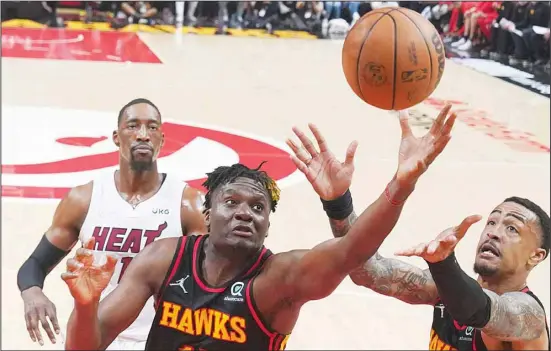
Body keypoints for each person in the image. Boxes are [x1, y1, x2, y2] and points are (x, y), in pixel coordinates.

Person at [60, 107, 456, 351]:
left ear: (267, 226)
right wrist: (84, 304)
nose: (245, 213)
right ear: (207, 213)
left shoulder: (279, 279)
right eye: (231, 203)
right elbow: (85, 346)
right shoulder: (164, 257)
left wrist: (402, 183)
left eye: (258, 207)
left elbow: (353, 249)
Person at [301, 108, 550, 350]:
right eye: (492, 222)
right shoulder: (443, 290)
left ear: (536, 255)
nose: (494, 232)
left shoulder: (528, 317)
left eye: (512, 229)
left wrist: (443, 264)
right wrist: (338, 203)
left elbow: (476, 309)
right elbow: (366, 270)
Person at [17, 98, 207, 349]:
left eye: (152, 127)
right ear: (116, 137)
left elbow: (209, 281)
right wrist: (32, 293)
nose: (143, 135)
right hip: (95, 336)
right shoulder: (83, 199)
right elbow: (35, 263)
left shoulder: (189, 204)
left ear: (161, 139)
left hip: (159, 338)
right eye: (133, 126)